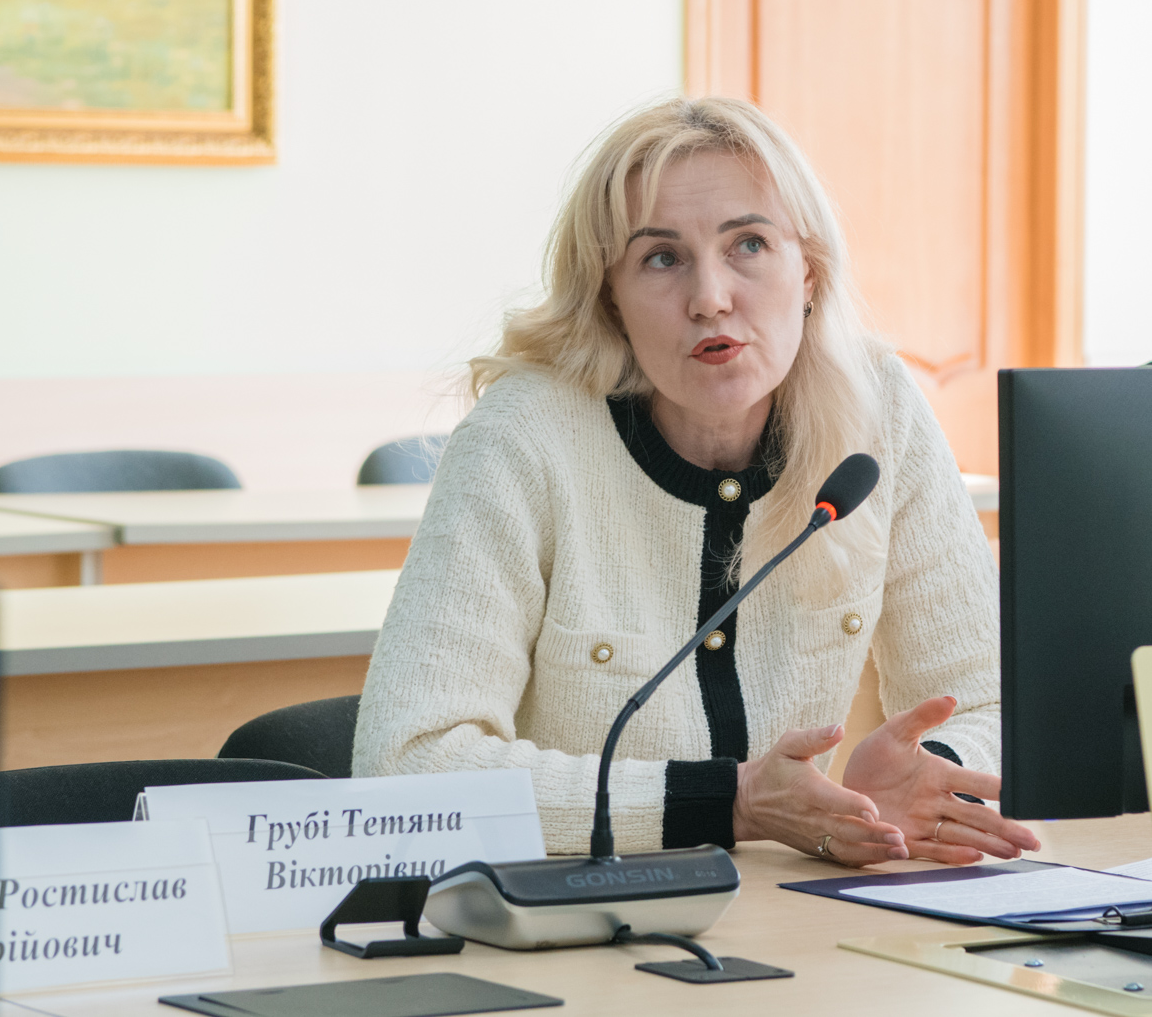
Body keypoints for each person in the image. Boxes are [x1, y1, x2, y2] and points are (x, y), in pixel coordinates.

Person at [352, 96, 1039, 868]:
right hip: (581, 916)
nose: (710, 296)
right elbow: (404, 766)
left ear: (808, 273)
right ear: (611, 298)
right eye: (661, 257)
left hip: (798, 914)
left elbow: (994, 697)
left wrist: (924, 775)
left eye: (748, 244)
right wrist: (726, 801)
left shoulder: (881, 412)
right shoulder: (524, 437)